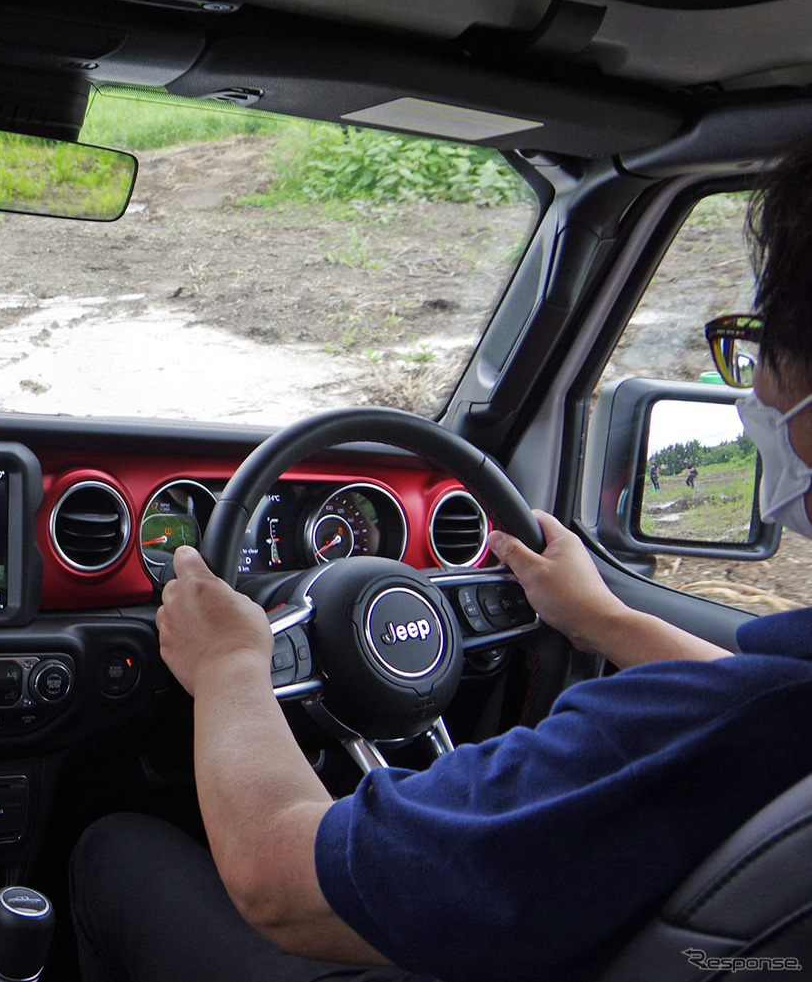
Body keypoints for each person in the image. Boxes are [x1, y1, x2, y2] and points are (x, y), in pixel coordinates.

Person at [70, 150, 812, 982]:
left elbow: (281, 883)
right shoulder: (762, 709)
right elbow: (750, 700)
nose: (755, 390)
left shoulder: (688, 728)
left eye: (757, 349)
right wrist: (604, 618)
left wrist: (230, 665)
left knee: (112, 847)